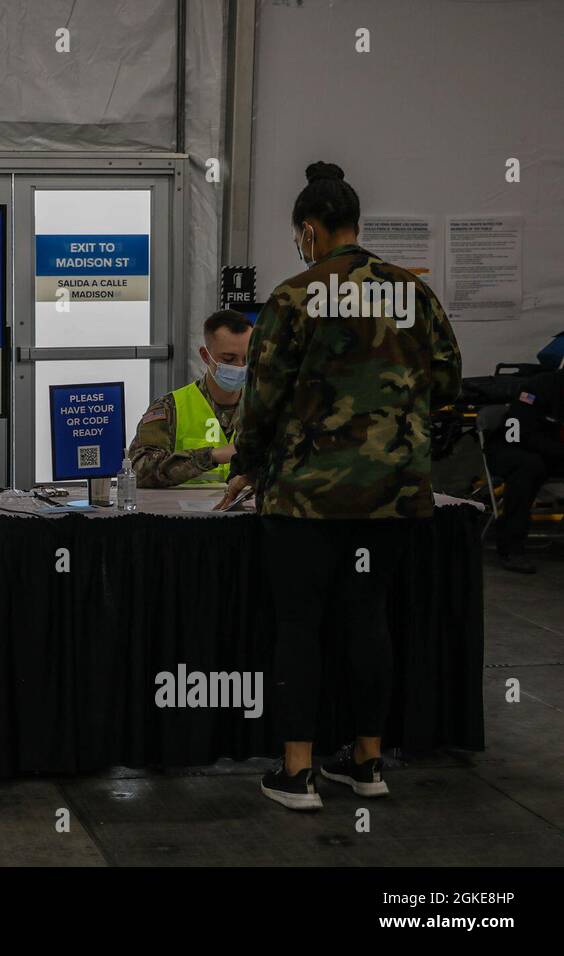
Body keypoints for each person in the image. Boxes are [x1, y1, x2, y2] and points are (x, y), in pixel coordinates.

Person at [217, 162, 462, 811]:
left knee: (299, 624)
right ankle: (368, 762)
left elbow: (263, 398)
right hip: (392, 495)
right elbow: (449, 381)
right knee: (367, 618)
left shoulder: (295, 296)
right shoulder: (412, 292)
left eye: (301, 237)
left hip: (306, 497)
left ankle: (297, 774)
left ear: (310, 230)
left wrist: (247, 462)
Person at [128, 309, 252, 487]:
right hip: (183, 512)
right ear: (205, 356)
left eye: (248, 359)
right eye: (229, 359)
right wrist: (211, 456)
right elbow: (138, 471)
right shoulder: (170, 408)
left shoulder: (267, 408)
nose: (240, 367)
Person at [485, 369, 564, 573]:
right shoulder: (536, 388)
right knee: (528, 468)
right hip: (513, 448)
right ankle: (511, 548)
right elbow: (520, 434)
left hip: (552, 453)